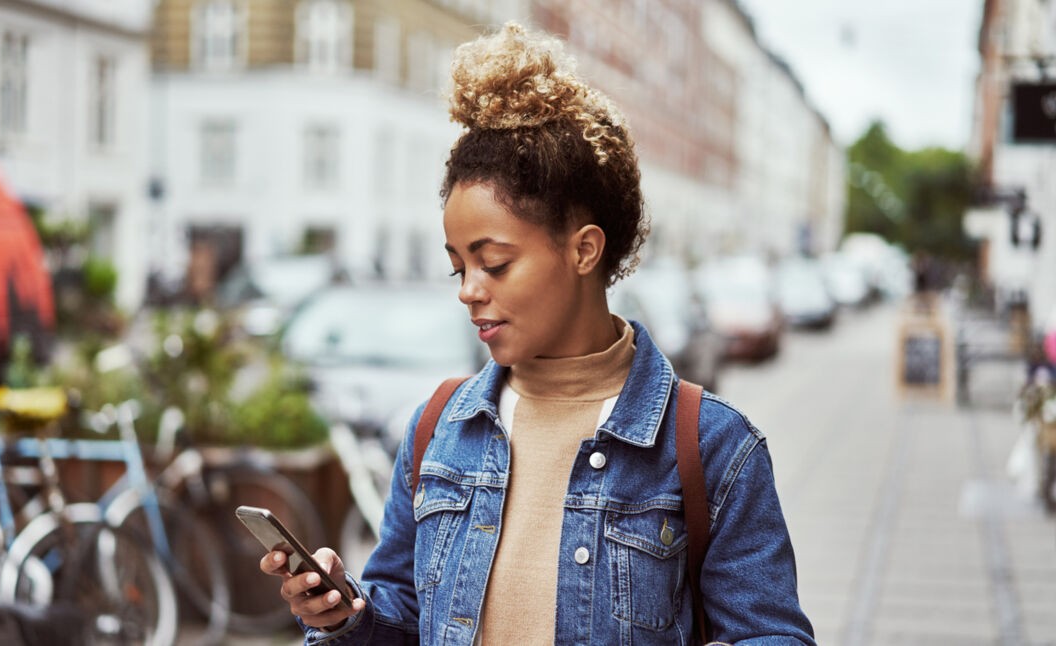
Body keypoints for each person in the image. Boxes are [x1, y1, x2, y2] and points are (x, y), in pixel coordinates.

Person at [261, 22, 815, 645]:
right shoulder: (437, 429)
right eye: (457, 266)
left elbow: (773, 636)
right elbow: (404, 613)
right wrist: (348, 618)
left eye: (493, 263)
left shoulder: (711, 447)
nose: (469, 289)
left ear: (584, 250)